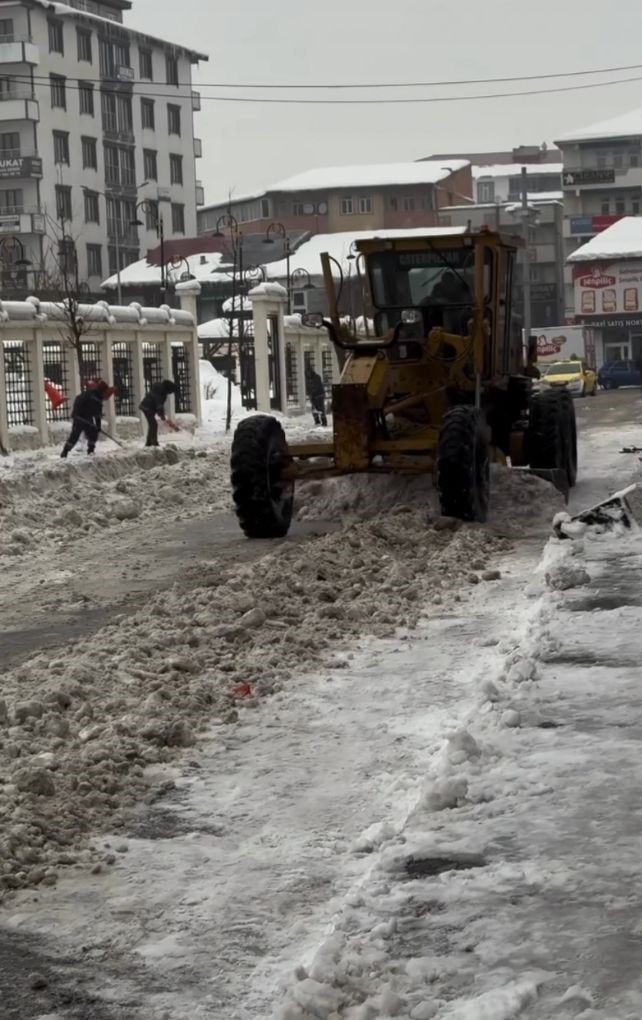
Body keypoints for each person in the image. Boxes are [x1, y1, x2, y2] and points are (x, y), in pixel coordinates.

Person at [60, 379, 113, 458]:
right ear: (103, 390)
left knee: (77, 435)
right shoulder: (97, 398)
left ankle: (66, 451)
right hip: (82, 417)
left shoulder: (90, 393)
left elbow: (78, 399)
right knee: (88, 434)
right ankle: (89, 451)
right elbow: (97, 415)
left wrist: (76, 413)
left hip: (80, 417)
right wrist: (98, 426)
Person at [139, 379, 178, 447]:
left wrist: (161, 414)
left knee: (153, 424)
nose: (170, 393)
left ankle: (150, 442)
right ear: (168, 388)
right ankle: (152, 442)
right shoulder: (160, 391)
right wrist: (161, 414)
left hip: (149, 407)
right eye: (171, 391)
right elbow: (158, 403)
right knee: (153, 424)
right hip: (147, 407)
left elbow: (159, 404)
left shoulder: (161, 390)